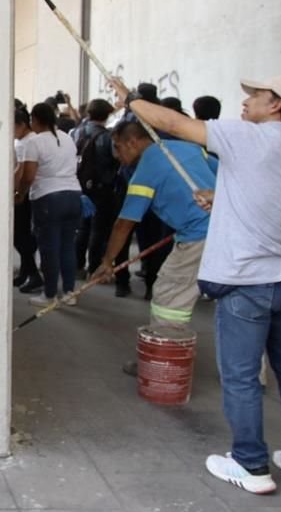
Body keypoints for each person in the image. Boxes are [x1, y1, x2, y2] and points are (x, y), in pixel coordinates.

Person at [111, 74, 281, 495]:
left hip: (249, 282)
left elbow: (174, 123)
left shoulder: (248, 138)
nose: (246, 100)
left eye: (255, 95)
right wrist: (221, 199)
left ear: (275, 105)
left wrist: (130, 100)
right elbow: (273, 200)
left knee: (239, 377)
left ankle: (250, 464)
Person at [91, 120, 217, 375]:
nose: (118, 155)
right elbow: (225, 173)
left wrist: (107, 262)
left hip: (198, 238)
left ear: (133, 142)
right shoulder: (189, 148)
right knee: (236, 304)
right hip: (229, 231)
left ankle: (162, 363)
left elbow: (124, 223)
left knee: (169, 298)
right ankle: (249, 375)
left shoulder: (145, 170)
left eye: (118, 147)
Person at [15, 102, 82, 307]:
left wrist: (21, 194)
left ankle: (50, 294)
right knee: (67, 246)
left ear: (35, 120)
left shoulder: (35, 143)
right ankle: (69, 292)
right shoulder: (67, 137)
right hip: (73, 195)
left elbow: (28, 176)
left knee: (49, 249)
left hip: (48, 198)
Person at [73, 99, 121, 281]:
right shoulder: (106, 137)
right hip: (103, 188)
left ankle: (77, 265)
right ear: (107, 115)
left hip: (80, 185)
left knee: (82, 227)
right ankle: (94, 267)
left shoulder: (77, 132)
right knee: (99, 229)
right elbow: (116, 158)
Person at [13, 106, 43, 293]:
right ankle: (25, 272)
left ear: (22, 125)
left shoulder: (25, 143)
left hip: (25, 195)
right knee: (24, 235)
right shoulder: (31, 139)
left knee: (20, 236)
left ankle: (33, 273)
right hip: (33, 194)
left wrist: (16, 193)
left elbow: (21, 172)